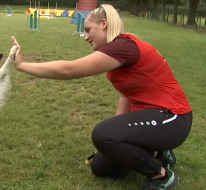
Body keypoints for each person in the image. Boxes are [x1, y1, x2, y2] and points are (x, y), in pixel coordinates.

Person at [10, 4, 192, 190]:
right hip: (152, 118)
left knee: (102, 134)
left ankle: (161, 176)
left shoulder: (123, 46)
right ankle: (159, 151)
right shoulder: (117, 54)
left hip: (173, 117)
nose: (86, 37)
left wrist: (23, 65)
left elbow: (68, 70)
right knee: (101, 166)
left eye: (88, 30)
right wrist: (116, 137)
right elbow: (125, 96)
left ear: (104, 24)